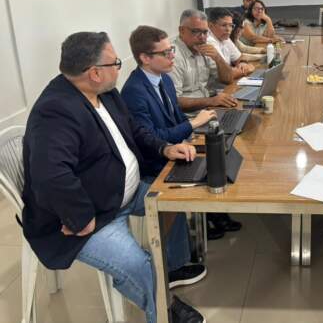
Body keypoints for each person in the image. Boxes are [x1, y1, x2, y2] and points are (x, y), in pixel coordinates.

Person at [21, 31, 207, 323]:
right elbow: (50, 175)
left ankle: (168, 272)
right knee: (137, 263)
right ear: (95, 73)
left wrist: (164, 147)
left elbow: (134, 129)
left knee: (177, 196)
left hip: (122, 193)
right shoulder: (55, 111)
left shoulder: (104, 93)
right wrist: (81, 218)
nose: (120, 68)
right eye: (116, 63)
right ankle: (163, 308)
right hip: (93, 214)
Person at [122, 25, 240, 240]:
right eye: (165, 53)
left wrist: (197, 129)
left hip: (177, 147)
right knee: (212, 165)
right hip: (156, 162)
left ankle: (211, 216)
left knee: (223, 150)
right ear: (145, 58)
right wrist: (193, 124)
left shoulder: (164, 78)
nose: (172, 56)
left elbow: (176, 116)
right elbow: (153, 139)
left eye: (172, 50)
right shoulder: (134, 92)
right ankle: (200, 226)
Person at [170, 9, 238, 114]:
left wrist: (218, 58)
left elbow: (228, 79)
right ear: (181, 30)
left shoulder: (203, 47)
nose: (202, 37)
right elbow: (174, 101)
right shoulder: (172, 56)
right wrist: (211, 101)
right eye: (195, 31)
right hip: (188, 115)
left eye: (205, 32)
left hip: (206, 106)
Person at [207, 7, 255, 79]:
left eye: (231, 25)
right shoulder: (209, 41)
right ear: (211, 26)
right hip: (216, 84)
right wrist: (248, 68)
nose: (228, 29)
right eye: (224, 25)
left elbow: (239, 58)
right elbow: (227, 74)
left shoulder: (224, 37)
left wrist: (242, 63)